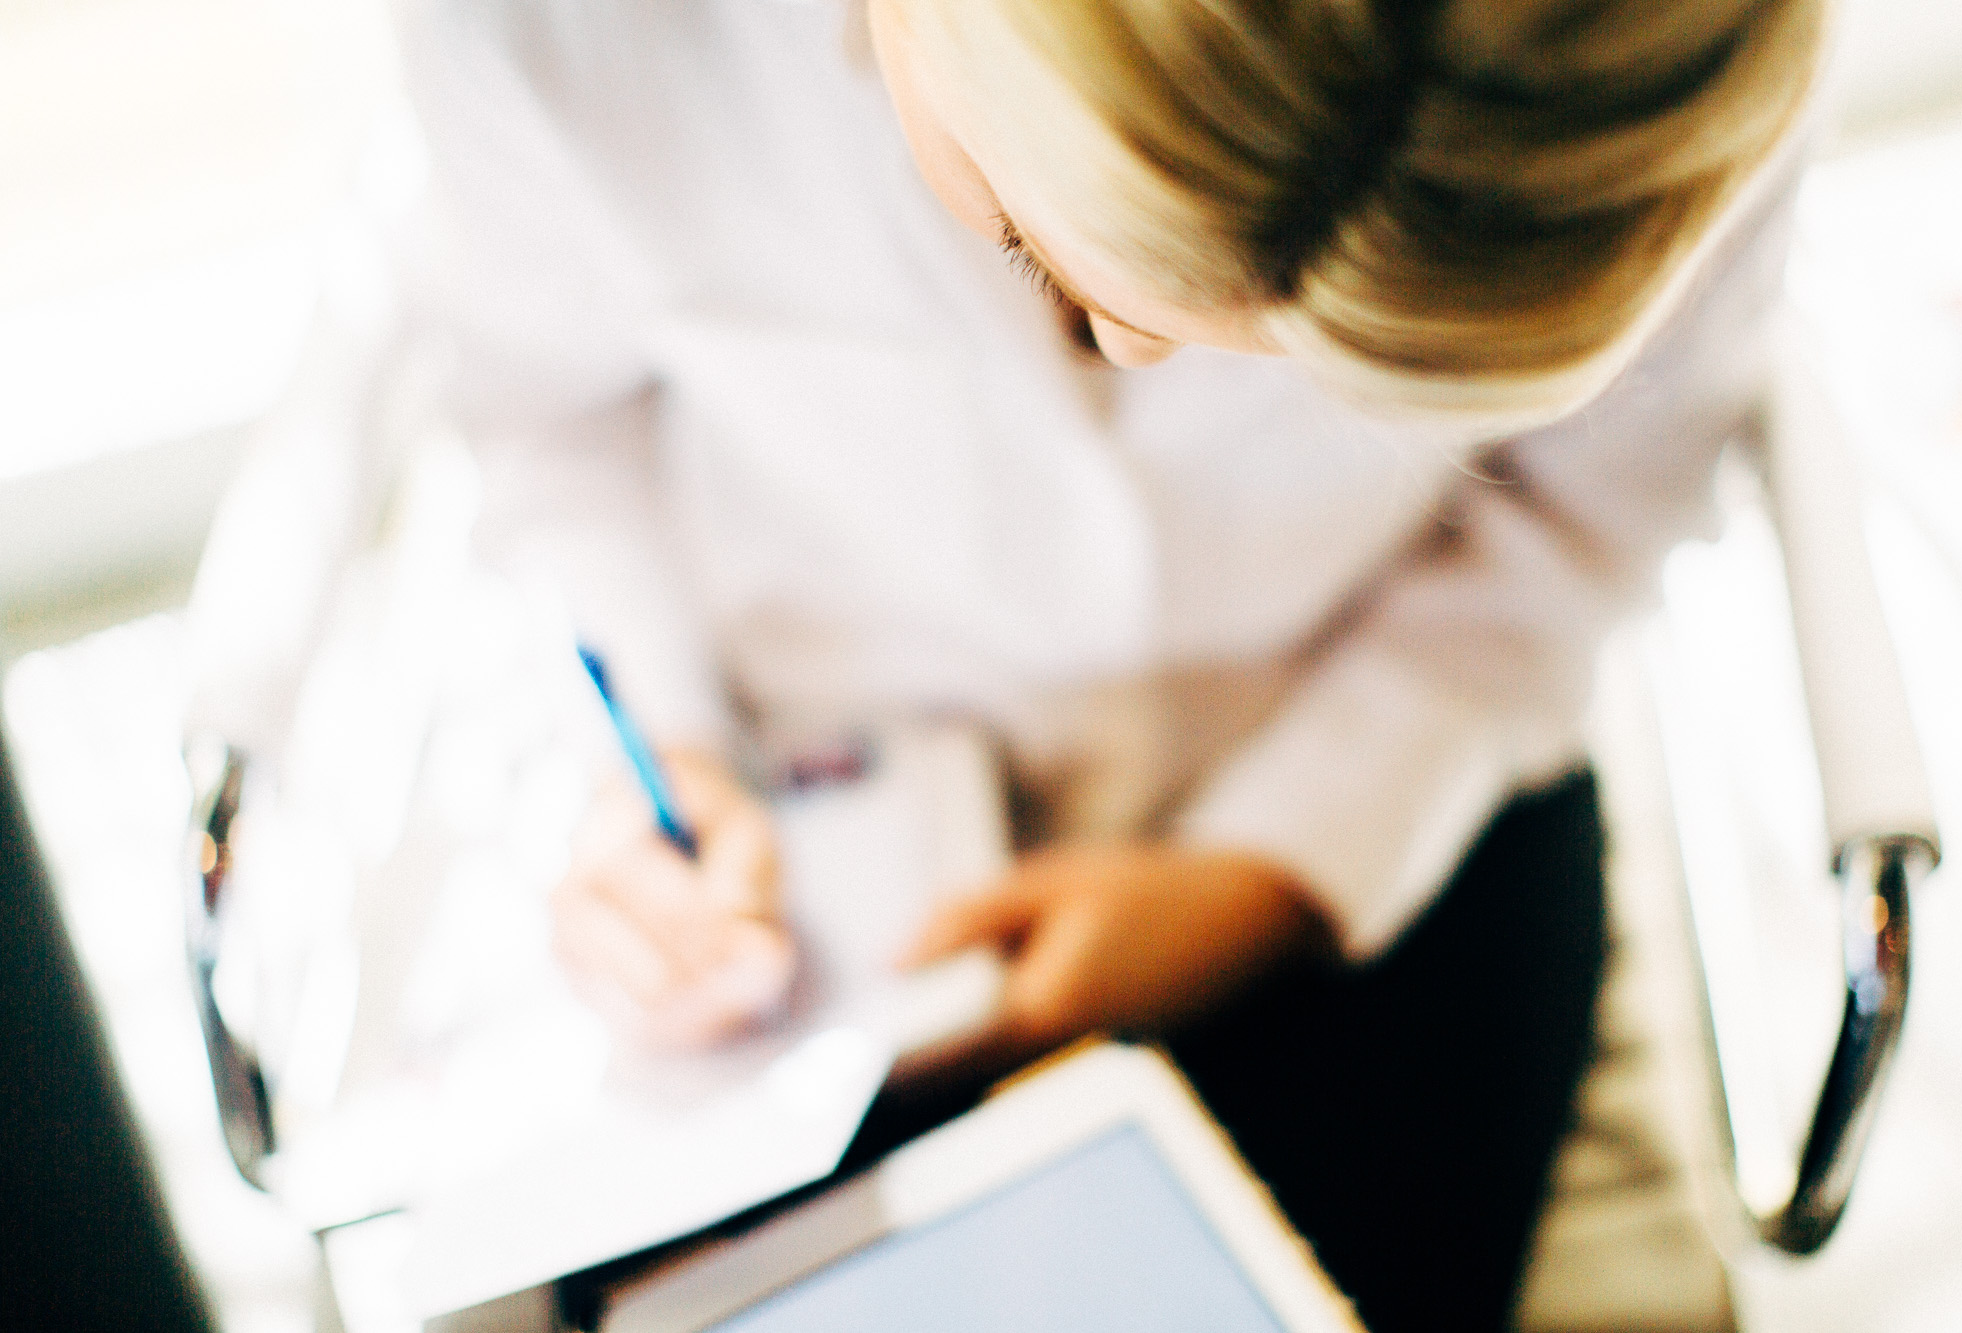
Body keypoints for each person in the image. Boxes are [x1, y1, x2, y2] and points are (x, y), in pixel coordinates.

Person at [389, 0, 1826, 1326]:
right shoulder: (571, 33)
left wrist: (1273, 869)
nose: (1142, 354)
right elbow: (548, 419)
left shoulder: (1659, 70)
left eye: (1312, 368)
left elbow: (1597, 517)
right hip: (806, 851)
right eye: (1029, 239)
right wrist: (668, 748)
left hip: (1384, 754)